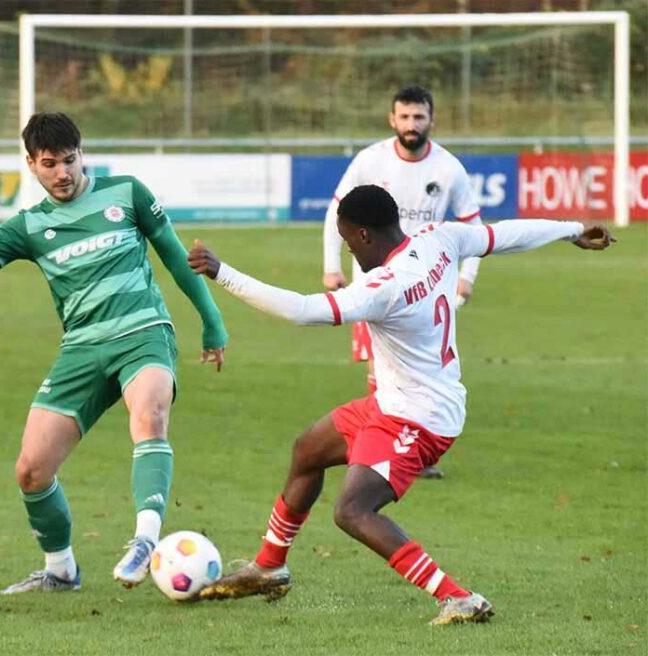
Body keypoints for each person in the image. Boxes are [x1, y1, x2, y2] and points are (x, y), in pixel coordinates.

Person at [188, 185, 612, 624]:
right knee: (308, 450)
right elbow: (502, 235)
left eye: (348, 240)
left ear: (365, 235)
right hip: (391, 403)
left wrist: (222, 272)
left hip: (420, 418)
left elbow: (300, 310)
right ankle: (270, 566)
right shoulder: (438, 238)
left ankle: (458, 597)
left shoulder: (382, 287)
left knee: (352, 510)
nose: (350, 250)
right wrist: (572, 230)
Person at [0, 112, 228, 593]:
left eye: (69, 160)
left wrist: (212, 321)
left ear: (83, 153)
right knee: (31, 470)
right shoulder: (30, 226)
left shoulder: (127, 193)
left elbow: (175, 256)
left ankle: (145, 540)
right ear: (32, 166)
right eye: (49, 163)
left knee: (149, 415)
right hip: (81, 348)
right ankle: (60, 569)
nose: (62, 172)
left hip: (143, 331)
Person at [323, 86, 482, 479]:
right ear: (392, 119)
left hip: (427, 282)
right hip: (376, 282)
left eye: (419, 117)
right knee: (381, 365)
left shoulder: (448, 168)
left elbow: (472, 226)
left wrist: (467, 276)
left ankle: (401, 444)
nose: (412, 125)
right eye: (405, 117)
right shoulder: (370, 160)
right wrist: (331, 264)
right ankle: (387, 443)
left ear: (432, 119)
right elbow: (337, 211)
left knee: (423, 362)